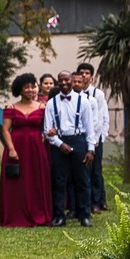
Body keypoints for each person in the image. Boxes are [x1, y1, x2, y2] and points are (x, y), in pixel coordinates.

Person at [43, 70, 97, 227]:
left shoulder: (84, 102)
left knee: (82, 180)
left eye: (67, 80)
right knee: (59, 180)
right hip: (59, 142)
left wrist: (90, 149)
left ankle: (84, 215)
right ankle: (59, 216)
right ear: (58, 82)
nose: (64, 83)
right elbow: (48, 130)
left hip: (79, 140)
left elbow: (90, 128)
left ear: (72, 81)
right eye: (61, 80)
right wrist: (60, 144)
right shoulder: (51, 104)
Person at [0, 73, 53, 227]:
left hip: (37, 149)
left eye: (33, 86)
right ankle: (15, 215)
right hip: (16, 148)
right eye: (26, 87)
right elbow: (5, 130)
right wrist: (11, 149)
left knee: (37, 180)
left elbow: (49, 127)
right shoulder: (11, 108)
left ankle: (39, 213)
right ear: (20, 90)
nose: (30, 90)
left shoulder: (44, 107)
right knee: (16, 182)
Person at [77, 62, 110, 213]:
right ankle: (86, 200)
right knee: (84, 170)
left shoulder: (97, 94)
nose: (84, 75)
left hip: (96, 139)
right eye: (81, 73)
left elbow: (102, 118)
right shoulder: (75, 94)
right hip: (80, 137)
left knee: (96, 170)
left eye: (87, 73)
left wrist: (98, 138)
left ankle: (97, 202)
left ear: (91, 77)